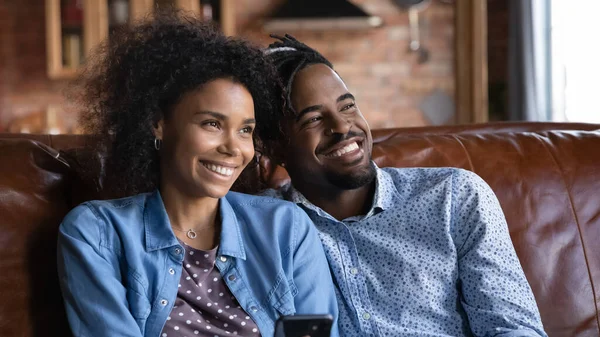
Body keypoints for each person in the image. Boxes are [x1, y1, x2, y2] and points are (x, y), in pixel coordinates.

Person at [57, 15, 339, 337]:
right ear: (158, 123)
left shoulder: (286, 229)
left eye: (245, 130)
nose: (234, 149)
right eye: (212, 124)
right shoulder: (96, 234)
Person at [262, 34, 548, 337]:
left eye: (347, 107)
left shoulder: (454, 196)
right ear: (275, 148)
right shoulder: (264, 225)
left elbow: (512, 329)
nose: (344, 127)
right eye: (314, 119)